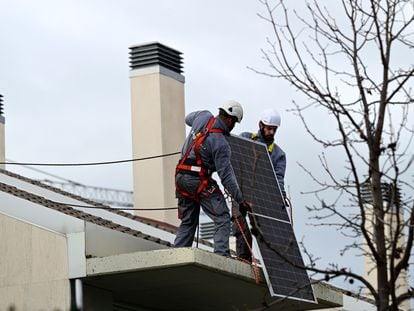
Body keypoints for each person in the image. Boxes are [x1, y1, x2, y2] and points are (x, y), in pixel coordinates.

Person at [174, 100, 250, 257]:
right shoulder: (221, 144)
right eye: (234, 122)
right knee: (222, 217)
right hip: (198, 180)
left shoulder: (203, 116)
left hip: (180, 177)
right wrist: (240, 199)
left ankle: (177, 256)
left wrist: (197, 131)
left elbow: (188, 119)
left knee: (188, 221)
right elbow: (226, 176)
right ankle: (221, 257)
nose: (233, 126)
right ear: (230, 119)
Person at [233, 108, 287, 262]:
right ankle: (244, 260)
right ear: (261, 125)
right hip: (241, 193)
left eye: (274, 129)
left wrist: (280, 197)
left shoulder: (278, 154)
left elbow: (278, 178)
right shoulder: (245, 138)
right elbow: (233, 159)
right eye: (269, 128)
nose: (271, 132)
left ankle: (276, 265)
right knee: (241, 227)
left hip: (262, 198)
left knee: (269, 232)